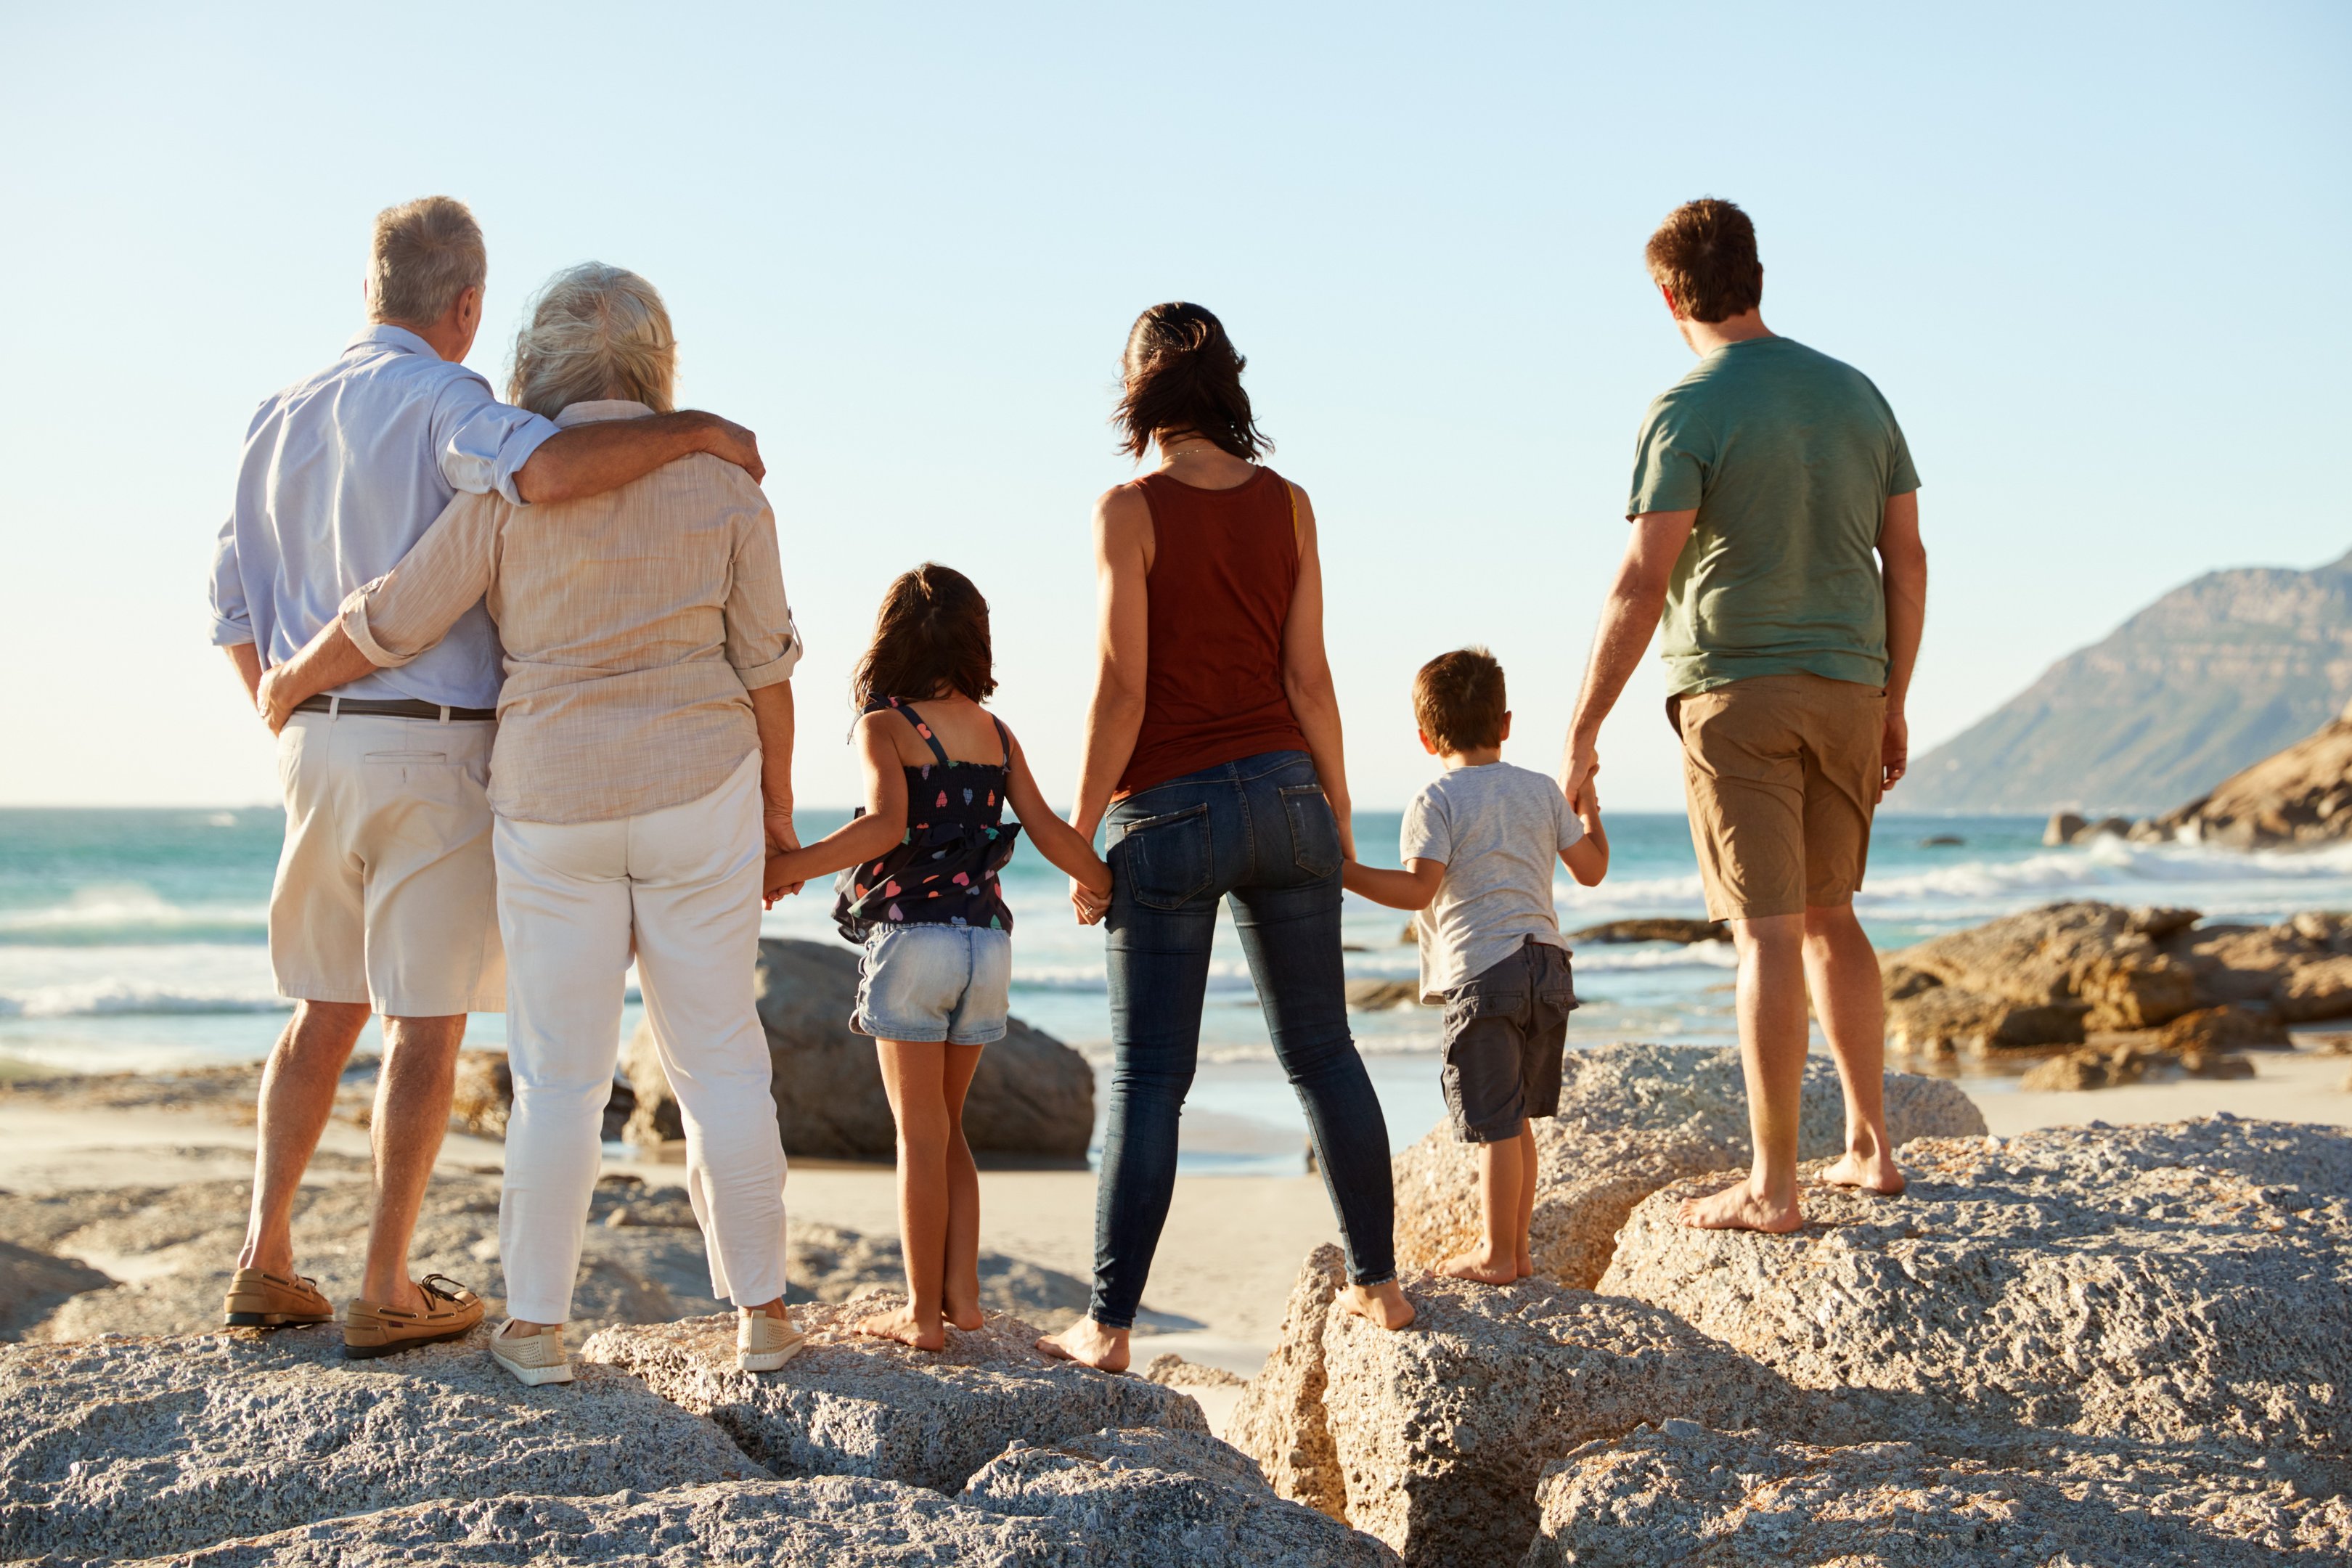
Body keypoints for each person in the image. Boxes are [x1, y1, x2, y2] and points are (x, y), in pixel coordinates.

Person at [209, 197, 767, 1357]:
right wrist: (699, 428)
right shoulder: (459, 409)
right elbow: (551, 471)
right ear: (464, 306)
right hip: (438, 733)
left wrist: (287, 696)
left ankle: (267, 1257)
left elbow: (230, 604)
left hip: (316, 741)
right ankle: (385, 1283)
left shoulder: (275, 415)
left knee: (326, 1007)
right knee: (430, 1021)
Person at [1040, 303, 1413, 1372]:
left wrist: (1078, 831)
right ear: (1228, 385)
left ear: (1137, 391)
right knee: (1323, 1053)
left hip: (1168, 812)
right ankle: (1382, 1289)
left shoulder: (1128, 509)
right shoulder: (1289, 505)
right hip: (1288, 795)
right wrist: (1335, 813)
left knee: (1150, 1081)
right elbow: (1311, 680)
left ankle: (1109, 1328)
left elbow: (1122, 685)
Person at [1558, 197, 1927, 1234]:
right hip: (1854, 683)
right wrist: (1894, 697)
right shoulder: (1857, 394)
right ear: (1756, 275)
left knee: (1767, 933)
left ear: (1670, 294)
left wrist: (1583, 730)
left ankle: (1774, 1189)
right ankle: (1870, 1147)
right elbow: (1908, 558)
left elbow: (1643, 577)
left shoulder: (1687, 405)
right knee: (1832, 914)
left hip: (1737, 690)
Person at [764, 565, 1111, 1351]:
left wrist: (787, 866)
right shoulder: (995, 731)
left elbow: (886, 827)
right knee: (951, 1131)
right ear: (975, 638)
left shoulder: (883, 725)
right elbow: (1051, 832)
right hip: (986, 946)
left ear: (890, 639)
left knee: (917, 1134)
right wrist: (1097, 881)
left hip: (915, 943)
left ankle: (922, 1316)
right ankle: (965, 1298)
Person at [1342, 649, 1607, 1282]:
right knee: (1516, 1124)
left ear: (1425, 737)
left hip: (1485, 973)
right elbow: (1592, 870)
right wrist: (1588, 798)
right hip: (1547, 965)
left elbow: (1417, 892)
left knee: (1494, 1125)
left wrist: (1343, 871)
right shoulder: (1542, 789)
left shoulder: (1435, 799)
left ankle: (1495, 1254)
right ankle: (1516, 1250)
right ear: (1506, 723)